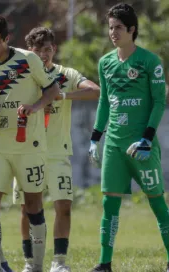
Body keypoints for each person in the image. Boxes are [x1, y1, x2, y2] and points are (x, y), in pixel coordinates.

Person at [88, 4, 168, 272]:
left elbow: (159, 103)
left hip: (142, 147)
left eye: (118, 28)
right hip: (114, 145)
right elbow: (104, 103)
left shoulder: (149, 62)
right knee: (109, 204)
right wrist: (95, 138)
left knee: (157, 203)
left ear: (132, 29)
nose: (113, 32)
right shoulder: (105, 63)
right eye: (110, 27)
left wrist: (147, 138)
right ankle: (104, 264)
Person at [13, 26, 100, 272]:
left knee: (63, 205)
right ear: (30, 51)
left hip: (57, 153)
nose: (44, 54)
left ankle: (59, 263)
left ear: (55, 49)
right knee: (27, 208)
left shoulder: (65, 74)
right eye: (38, 50)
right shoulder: (22, 75)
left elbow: (94, 91)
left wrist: (62, 96)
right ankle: (30, 263)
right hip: (28, 151)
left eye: (48, 49)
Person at [0, 14, 60, 272]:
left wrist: (34, 107)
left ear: (7, 39)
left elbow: (53, 90)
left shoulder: (28, 59)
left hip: (29, 145)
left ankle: (34, 266)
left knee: (33, 204)